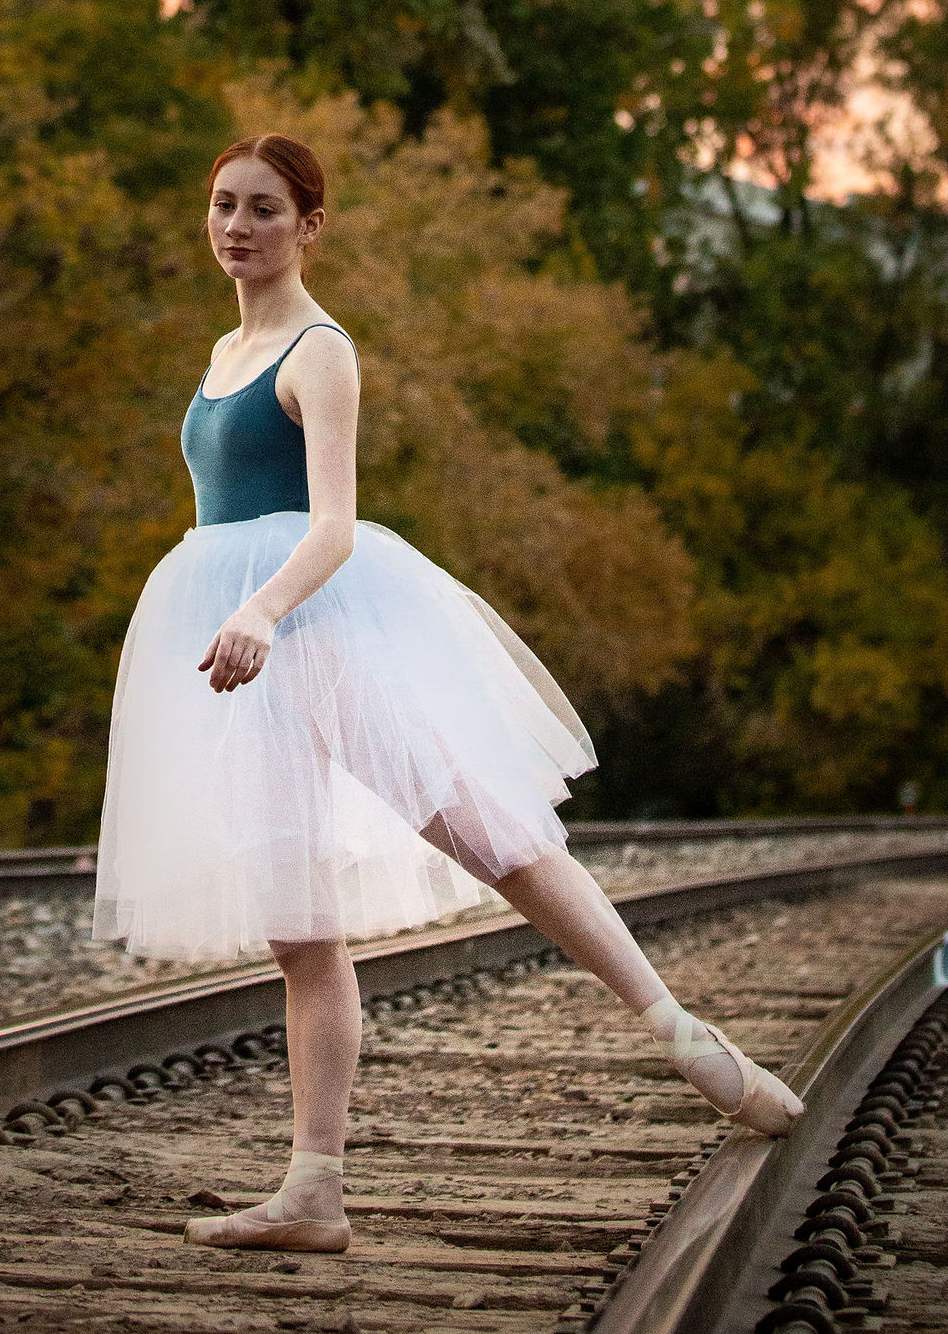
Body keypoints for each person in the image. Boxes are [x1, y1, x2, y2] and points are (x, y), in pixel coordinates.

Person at [93, 132, 803, 1258]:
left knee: (494, 835)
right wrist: (241, 620)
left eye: (264, 209)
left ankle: (683, 1036)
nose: (237, 226)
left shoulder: (320, 351)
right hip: (238, 651)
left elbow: (332, 525)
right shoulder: (225, 348)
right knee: (299, 929)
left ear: (308, 226)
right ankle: (313, 1191)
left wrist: (262, 612)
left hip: (315, 628)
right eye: (224, 204)